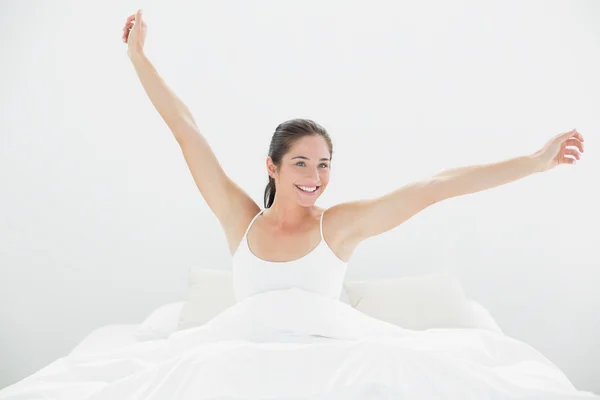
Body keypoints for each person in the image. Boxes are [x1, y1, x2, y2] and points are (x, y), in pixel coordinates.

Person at [122, 9, 585, 267]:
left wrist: (534, 162)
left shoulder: (337, 226)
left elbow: (436, 187)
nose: (314, 177)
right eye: (301, 163)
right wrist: (139, 58)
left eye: (323, 165)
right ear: (272, 166)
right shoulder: (238, 220)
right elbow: (187, 131)